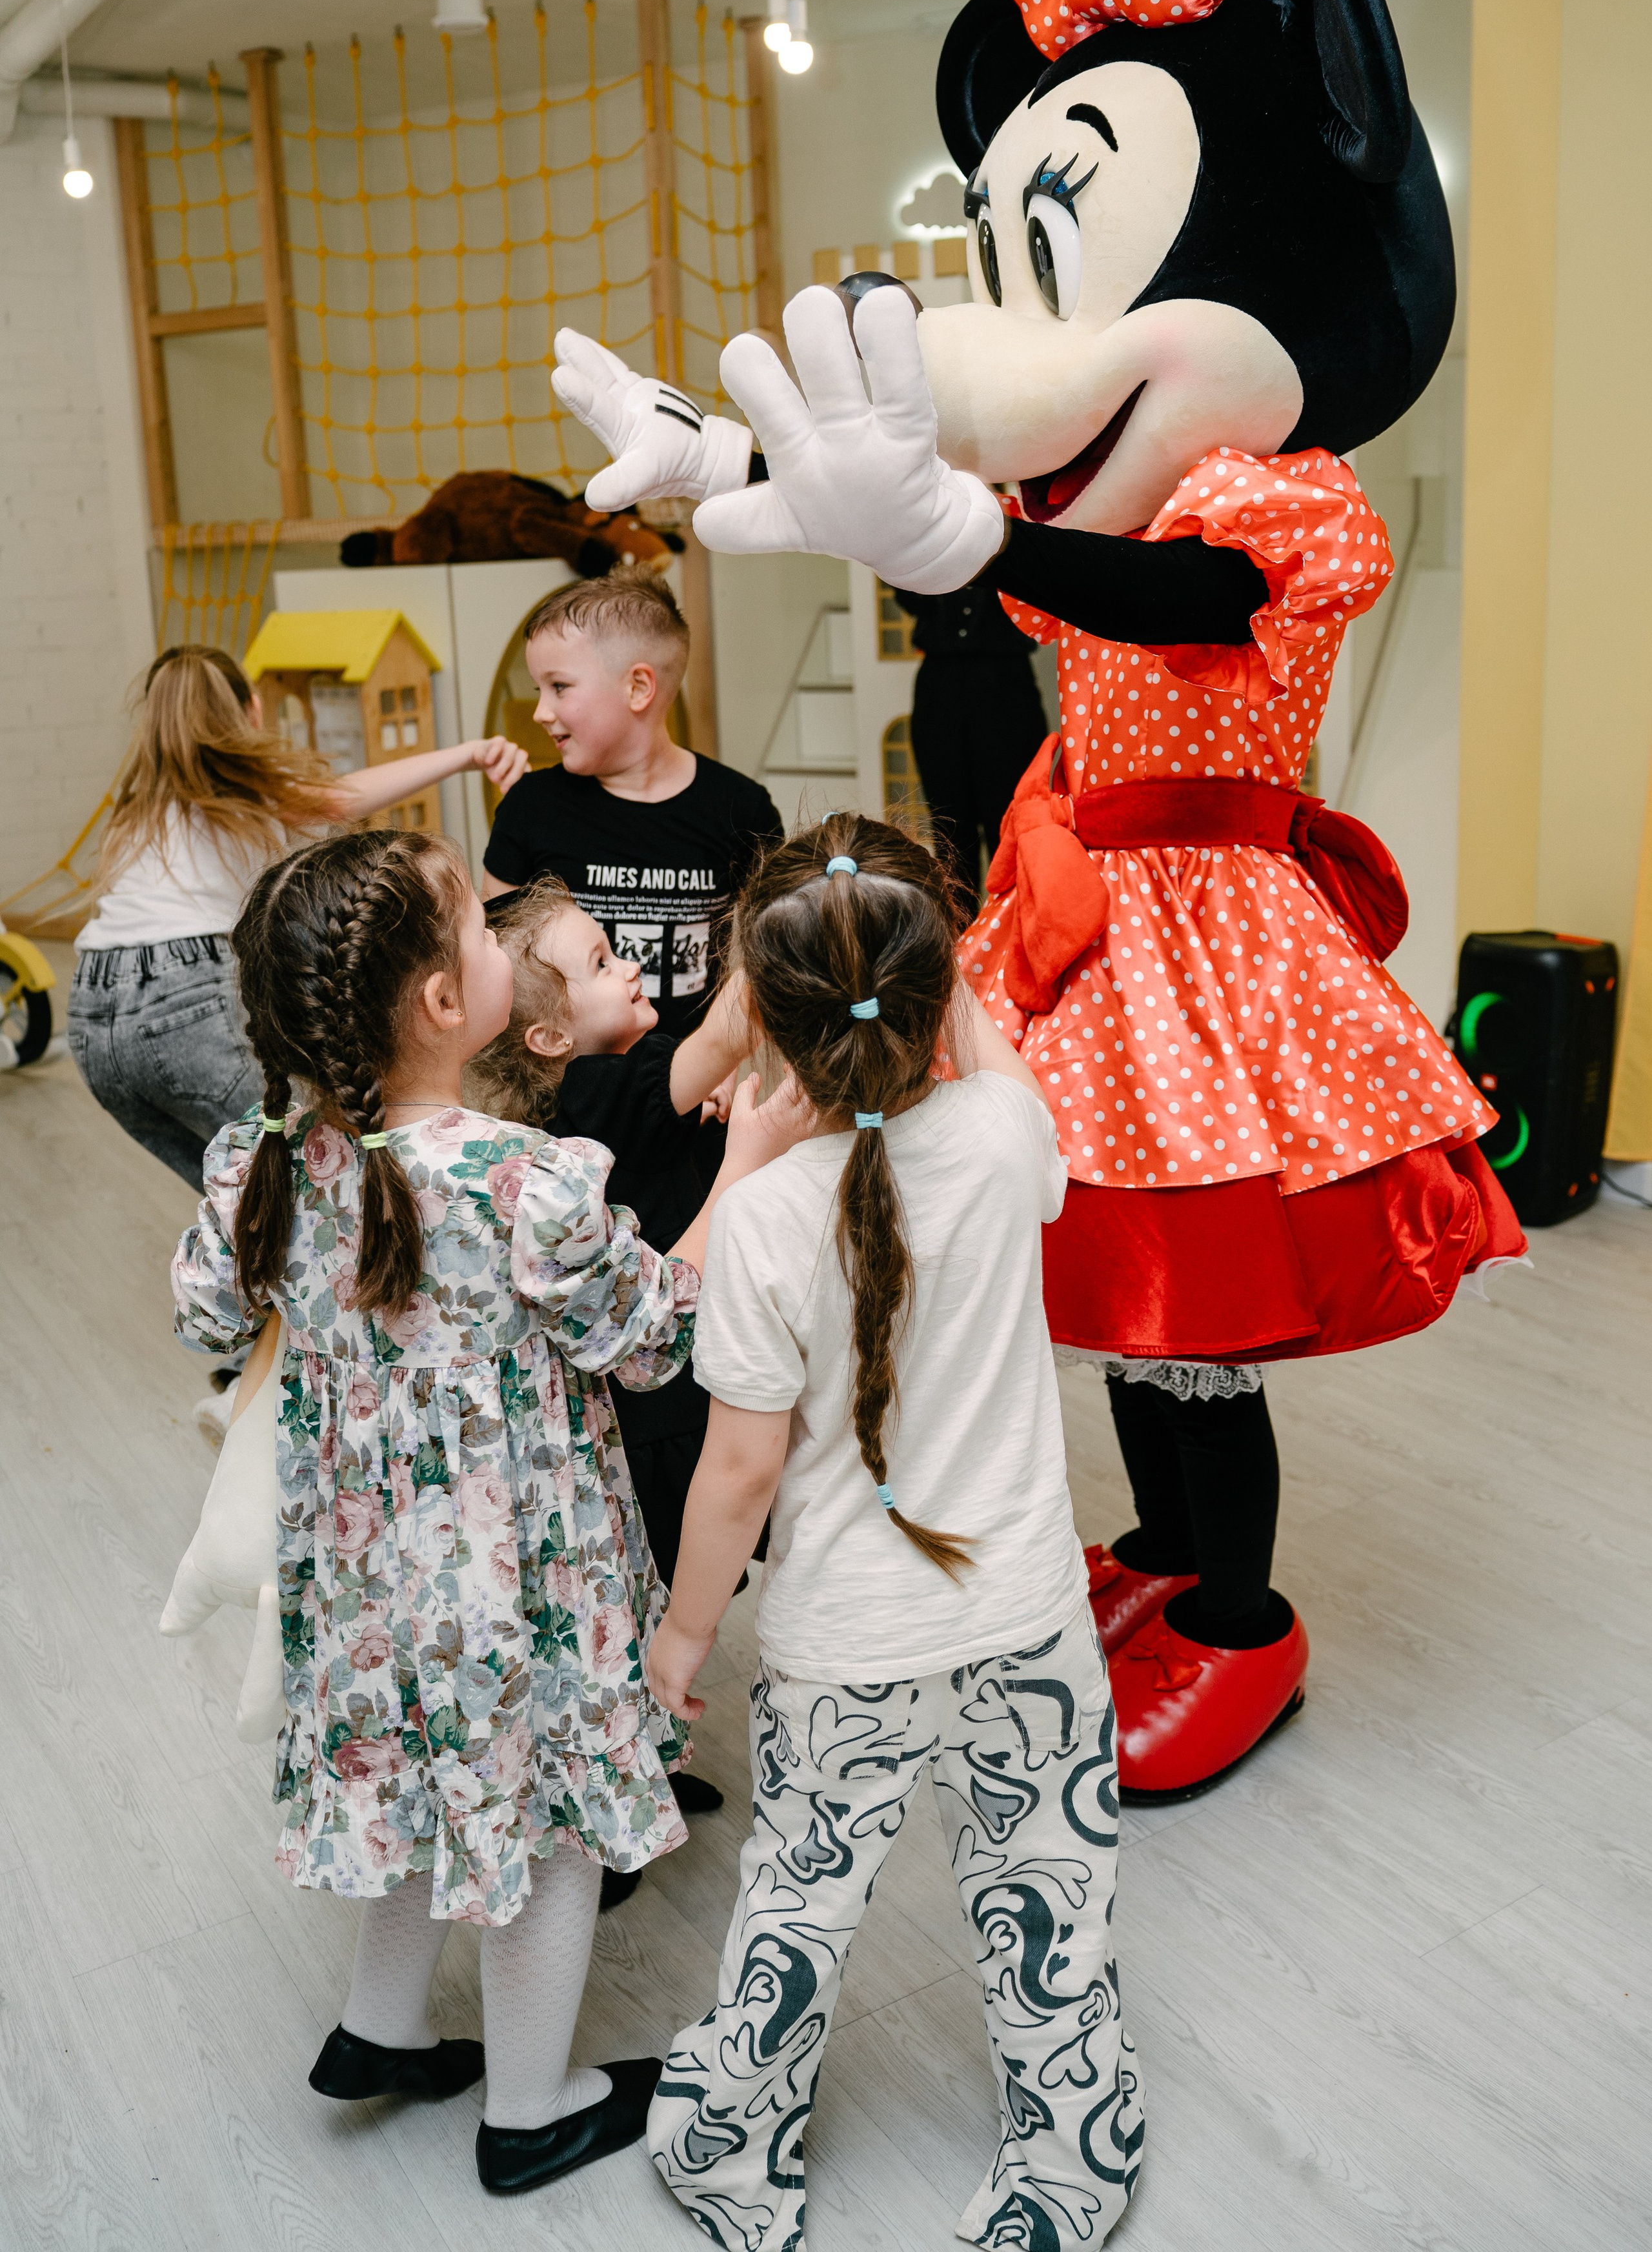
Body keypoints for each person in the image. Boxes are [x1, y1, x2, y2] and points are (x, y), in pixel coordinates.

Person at [170, 827, 806, 2197]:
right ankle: (534, 2105)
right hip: (517, 1589)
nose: (497, 931)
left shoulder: (259, 1165)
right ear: (445, 1005)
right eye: (475, 921)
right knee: (548, 1830)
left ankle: (380, 2029)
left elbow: (203, 1315)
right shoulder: (525, 1177)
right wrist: (745, 1157)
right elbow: (654, 1333)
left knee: (415, 1796)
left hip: (359, 1586)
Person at [643, 812, 1144, 2251]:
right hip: (1028, 1625)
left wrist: (683, 1638)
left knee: (796, 1911)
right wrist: (949, 983)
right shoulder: (1002, 1139)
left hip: (843, 1647)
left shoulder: (757, 1223)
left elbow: (734, 1477)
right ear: (939, 997)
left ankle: (731, 2156)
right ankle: (1070, 2163)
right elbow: (985, 1069)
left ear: (764, 1026)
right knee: (1048, 1897)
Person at [467, 874, 755, 1864]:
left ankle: (646, 1759)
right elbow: (704, 1053)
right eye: (601, 962)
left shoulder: (629, 1063)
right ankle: (609, 1804)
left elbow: (693, 1063)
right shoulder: (588, 1097)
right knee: (648, 1597)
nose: (630, 964)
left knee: (660, 1591)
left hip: (681, 1381)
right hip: (652, 1402)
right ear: (547, 1037)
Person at [70, 644, 529, 1191]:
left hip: (89, 1013)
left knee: (244, 1194)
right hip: (179, 995)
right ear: (250, 711)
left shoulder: (138, 803)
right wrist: (470, 754)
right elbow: (340, 800)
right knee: (311, 1181)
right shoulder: (237, 785)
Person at [480, 570, 782, 1043]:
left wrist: (724, 1061)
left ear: (639, 688)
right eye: (539, 689)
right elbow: (494, 961)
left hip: (695, 1091)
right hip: (566, 1098)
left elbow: (771, 956)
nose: (540, 711)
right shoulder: (529, 808)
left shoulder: (741, 809)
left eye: (559, 686)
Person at [895, 565, 1046, 898]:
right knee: (948, 822)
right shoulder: (926, 530)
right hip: (941, 680)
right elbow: (907, 593)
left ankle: (1012, 933)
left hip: (1005, 681)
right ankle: (958, 938)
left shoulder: (1021, 518)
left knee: (1011, 819)